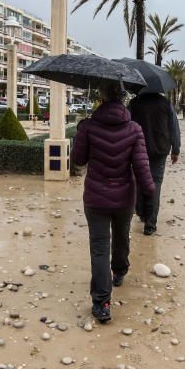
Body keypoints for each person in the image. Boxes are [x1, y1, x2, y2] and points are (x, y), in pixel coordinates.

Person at [72, 81, 156, 324]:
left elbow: (78, 160)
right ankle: (119, 271)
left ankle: (102, 303)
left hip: (96, 198)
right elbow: (141, 167)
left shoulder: (89, 126)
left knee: (99, 248)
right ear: (123, 98)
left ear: (101, 96)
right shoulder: (134, 129)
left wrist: (81, 132)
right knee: (121, 237)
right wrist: (150, 191)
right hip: (124, 198)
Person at [128, 91, 181, 235]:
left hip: (137, 149)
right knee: (155, 183)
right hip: (160, 149)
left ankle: (141, 212)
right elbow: (174, 127)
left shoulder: (134, 103)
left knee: (139, 181)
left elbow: (126, 125)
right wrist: (176, 149)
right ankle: (150, 224)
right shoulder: (165, 103)